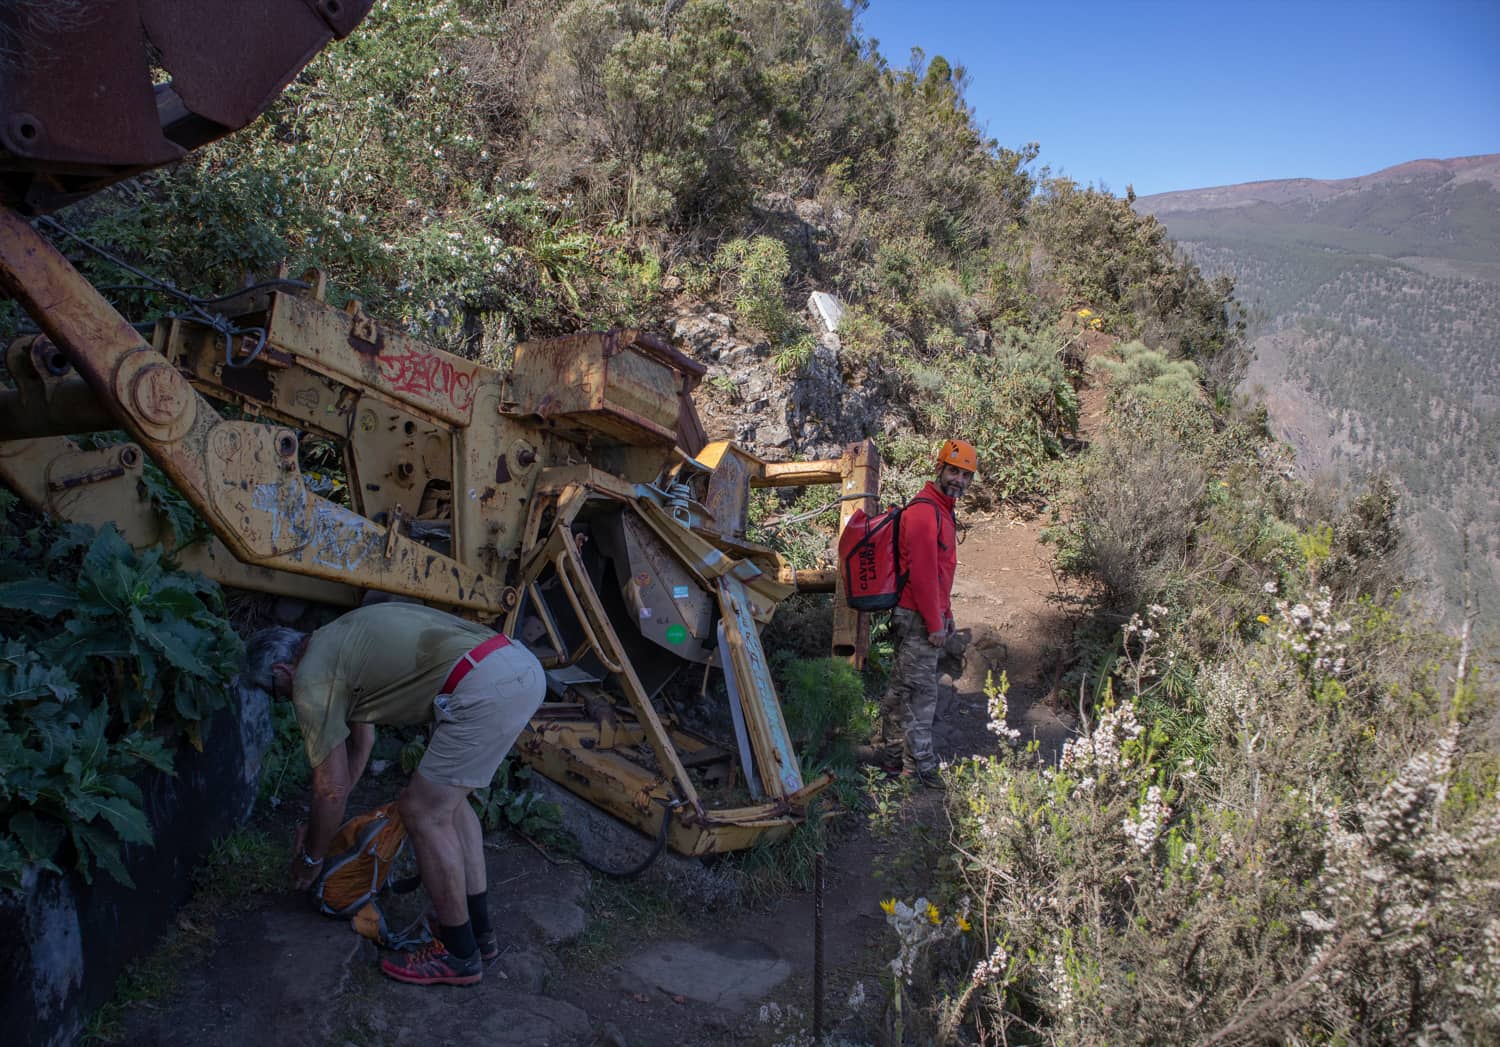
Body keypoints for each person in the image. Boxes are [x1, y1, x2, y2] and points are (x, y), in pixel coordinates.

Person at [241, 602, 545, 987]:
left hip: (484, 687)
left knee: (422, 812)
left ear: (281, 671)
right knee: (447, 806)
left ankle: (458, 955)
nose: (284, 700)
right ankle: (478, 937)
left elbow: (330, 789)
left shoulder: (310, 679)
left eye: (276, 693)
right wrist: (334, 830)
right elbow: (361, 744)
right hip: (516, 667)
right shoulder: (337, 641)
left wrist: (311, 857)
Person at [878, 438, 976, 787]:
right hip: (917, 615)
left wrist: (945, 614)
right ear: (939, 468)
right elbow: (921, 575)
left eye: (966, 475)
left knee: (901, 692)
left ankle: (893, 761)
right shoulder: (924, 511)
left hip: (926, 613)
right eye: (954, 471)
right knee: (921, 697)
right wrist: (935, 623)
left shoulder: (942, 509)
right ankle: (920, 768)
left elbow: (940, 573)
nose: (959, 481)